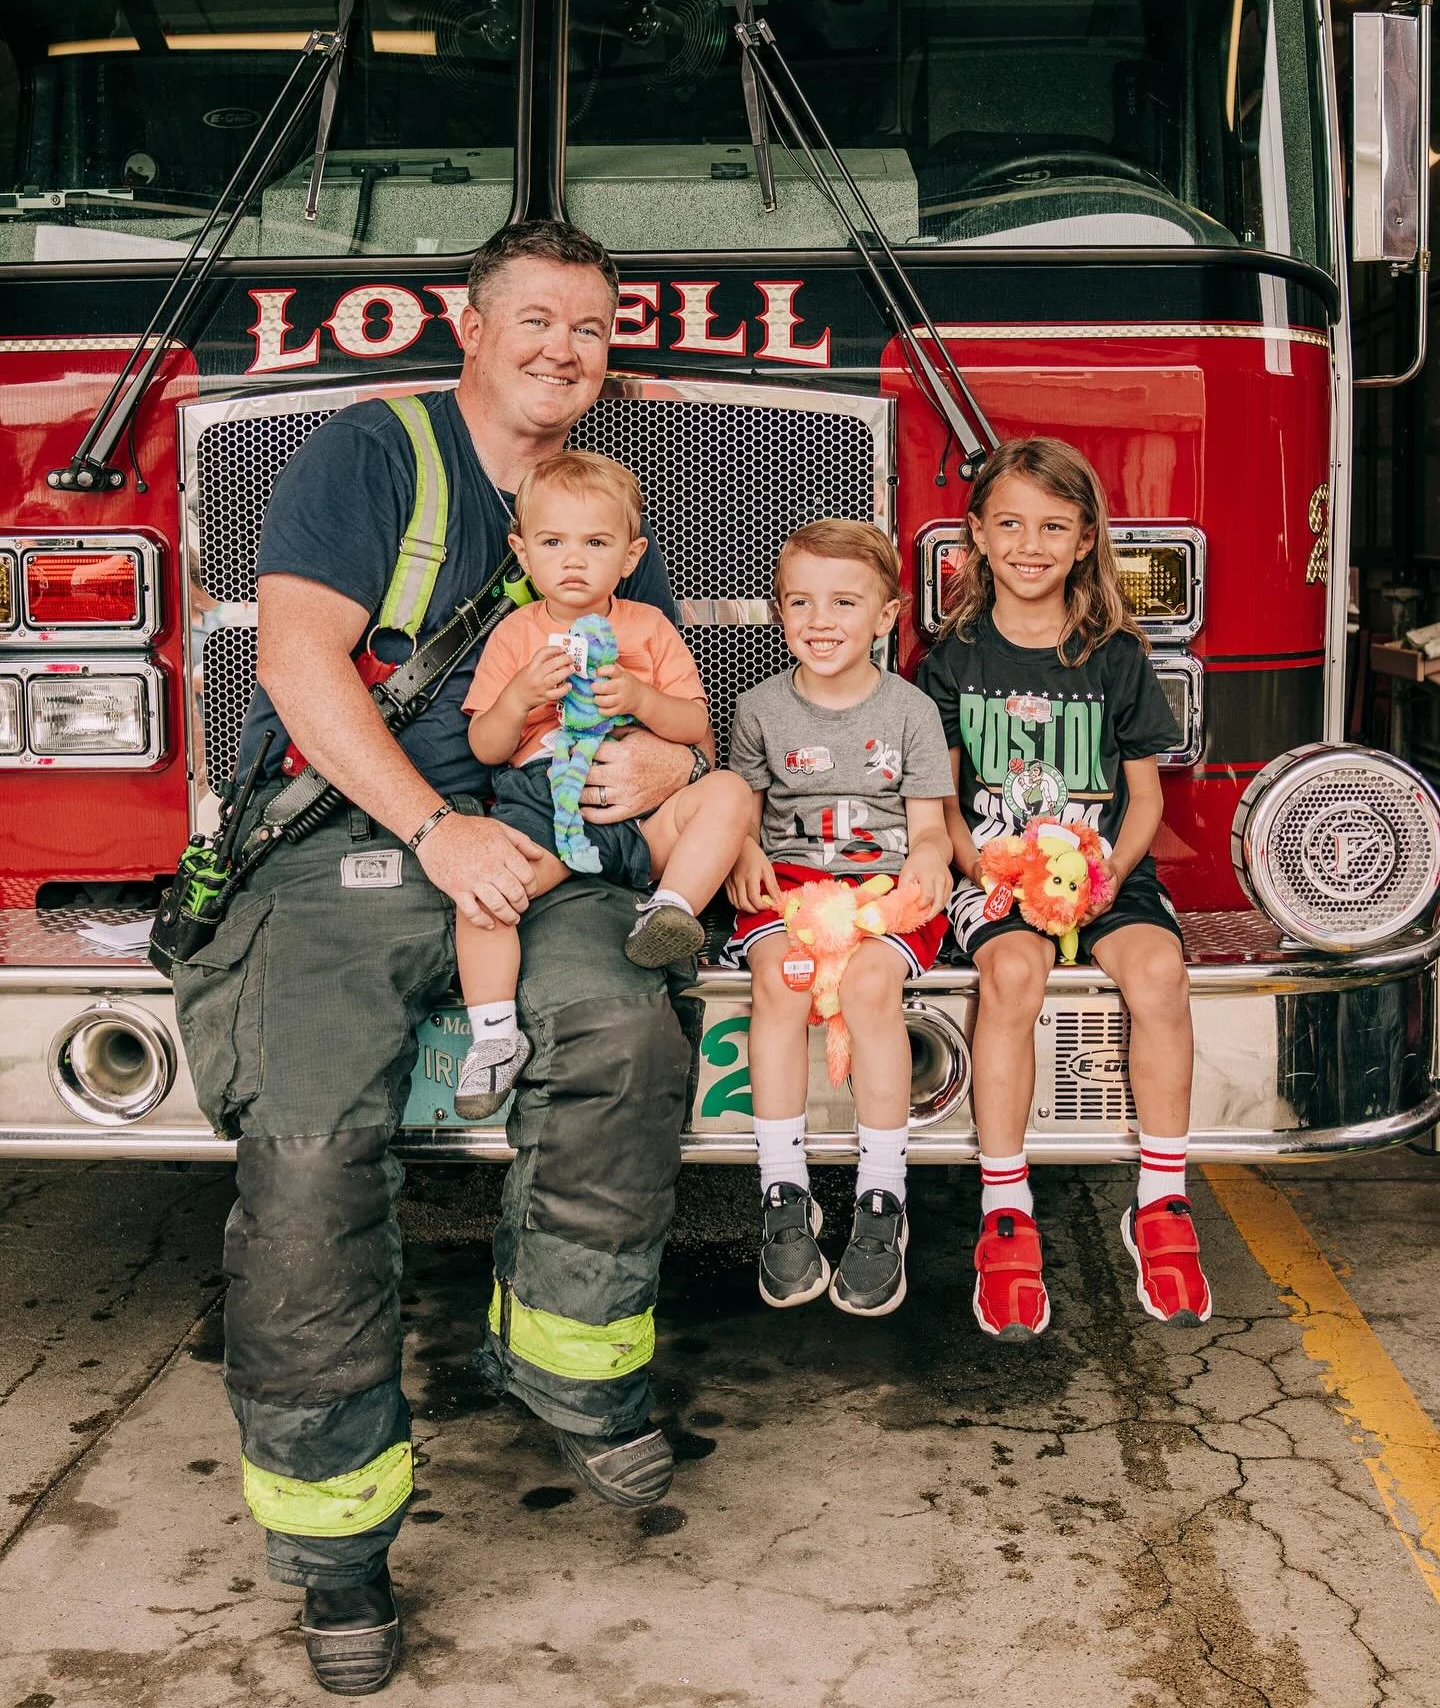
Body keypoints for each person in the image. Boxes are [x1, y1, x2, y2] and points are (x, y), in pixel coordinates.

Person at [172, 221, 708, 1698]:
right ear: (470, 328)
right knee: (305, 1155)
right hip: (354, 839)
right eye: (536, 319)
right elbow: (296, 664)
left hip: (541, 845)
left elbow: (664, 698)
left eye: (590, 328)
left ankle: (571, 1360)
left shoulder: (597, 506)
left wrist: (670, 769)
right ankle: (334, 1539)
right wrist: (433, 827)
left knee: (627, 1033)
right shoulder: (371, 454)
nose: (564, 349)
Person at [915, 435, 1211, 1342]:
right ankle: (1006, 1208)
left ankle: (1161, 1201)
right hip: (994, 877)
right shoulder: (950, 662)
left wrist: (1108, 874)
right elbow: (943, 803)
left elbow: (1146, 798)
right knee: (1010, 975)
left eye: (1053, 527)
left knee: (1159, 973)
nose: (1029, 545)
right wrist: (984, 871)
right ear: (975, 535)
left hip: (1106, 876)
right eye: (1009, 524)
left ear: (1086, 540)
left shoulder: (1116, 657)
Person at [456, 448, 753, 1101]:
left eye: (595, 543)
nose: (573, 560)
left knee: (730, 791)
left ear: (629, 556)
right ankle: (495, 1037)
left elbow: (693, 723)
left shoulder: (648, 627)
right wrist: (519, 698)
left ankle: (670, 910)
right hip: (546, 806)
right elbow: (486, 746)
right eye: (552, 542)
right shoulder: (515, 636)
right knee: (483, 893)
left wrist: (642, 699)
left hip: (644, 812)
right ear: (522, 553)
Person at [725, 520, 954, 1317]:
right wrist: (743, 853)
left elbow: (929, 830)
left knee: (868, 989)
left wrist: (930, 861)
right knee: (780, 986)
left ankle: (882, 1200)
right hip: (791, 887)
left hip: (885, 891)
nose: (819, 621)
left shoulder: (912, 712)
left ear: (887, 615)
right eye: (800, 602)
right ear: (779, 612)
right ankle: (784, 1194)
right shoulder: (758, 710)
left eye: (844, 603)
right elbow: (743, 815)